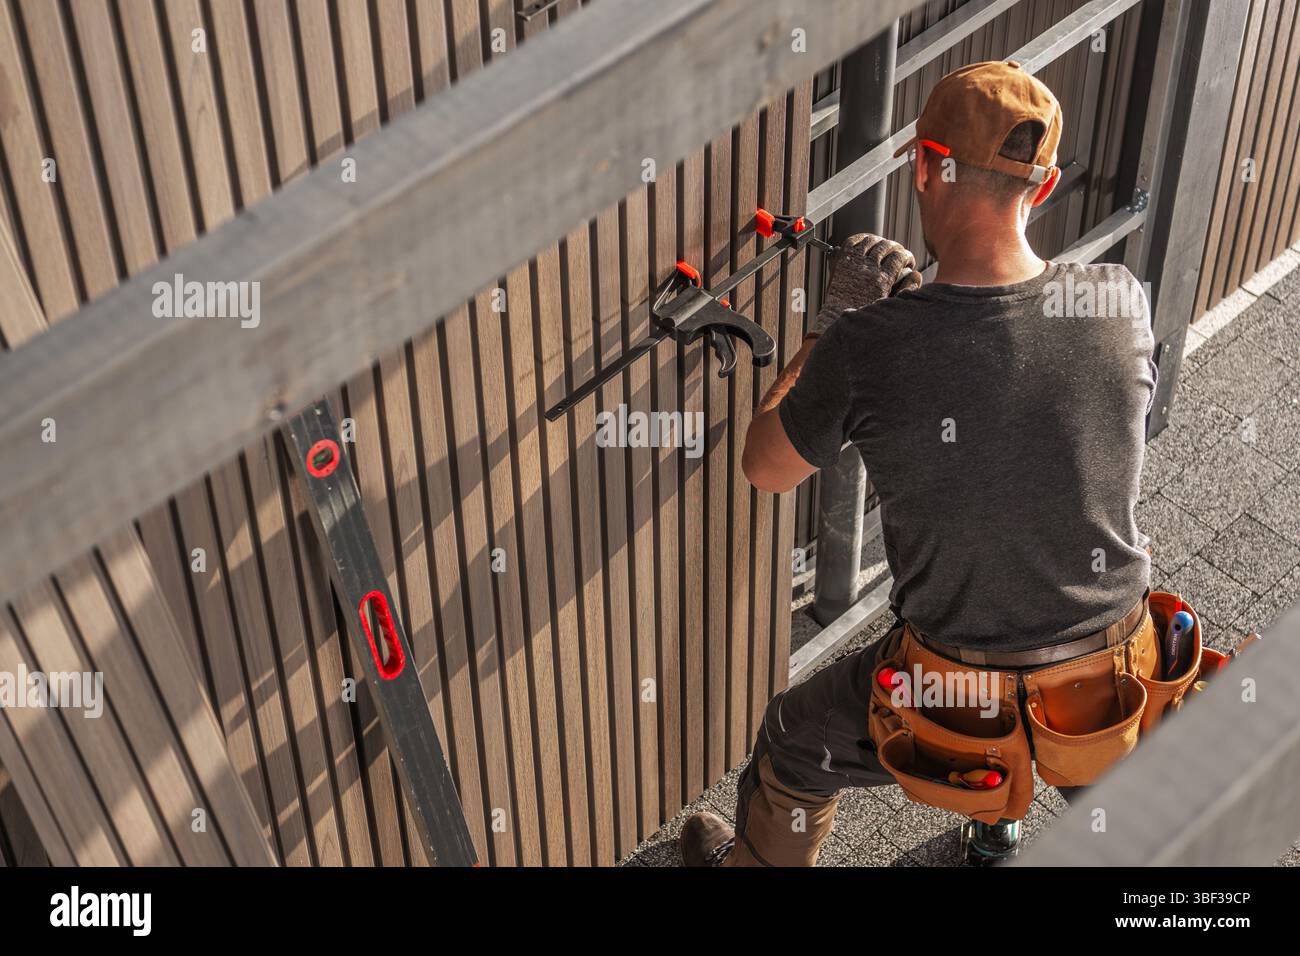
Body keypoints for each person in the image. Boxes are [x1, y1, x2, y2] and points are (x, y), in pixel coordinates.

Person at [682, 61, 1159, 867]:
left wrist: (834, 328)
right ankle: (1009, 815)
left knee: (795, 742)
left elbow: (765, 467)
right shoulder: (1118, 300)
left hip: (954, 697)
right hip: (1107, 679)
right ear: (1039, 191)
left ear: (924, 164)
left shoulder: (869, 349)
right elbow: (1034, 411)